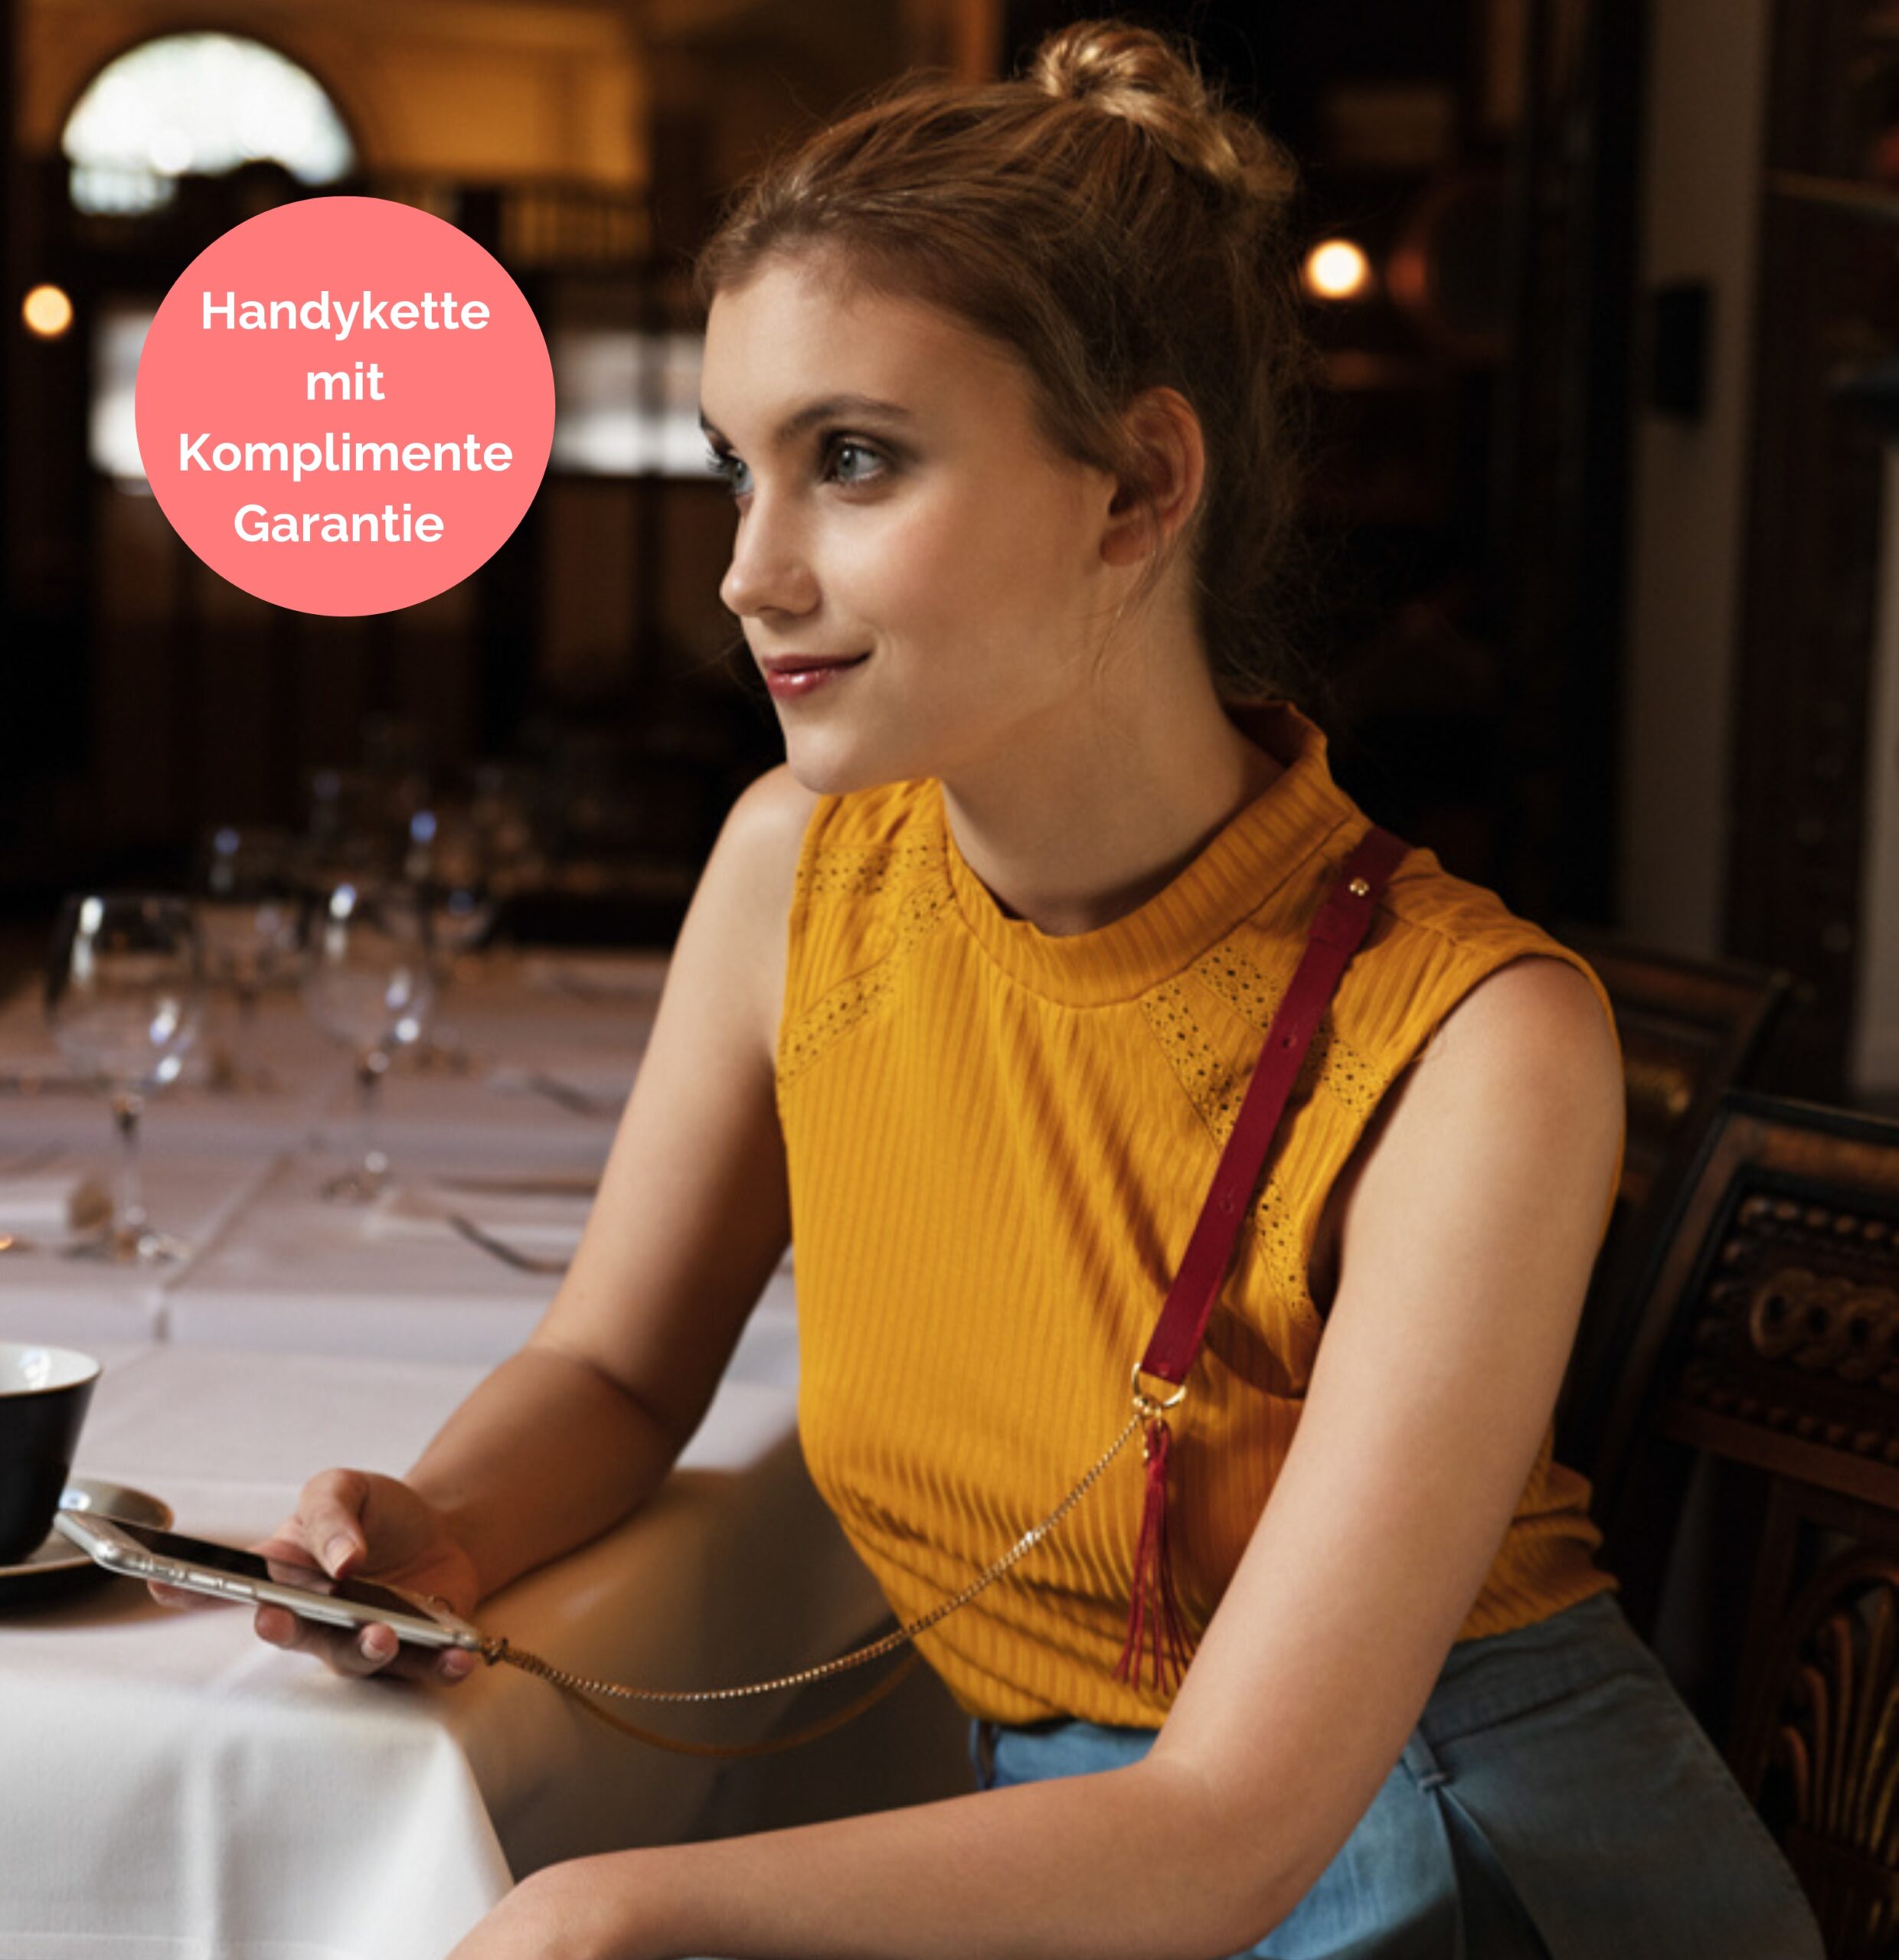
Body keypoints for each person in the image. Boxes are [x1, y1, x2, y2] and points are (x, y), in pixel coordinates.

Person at [157, 20, 1825, 1958]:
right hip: (1087, 1861)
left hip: (1444, 1874)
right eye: (737, 469)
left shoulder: (1472, 1041)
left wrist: (598, 1914)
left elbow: (1226, 1832)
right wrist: (445, 1524)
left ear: (1135, 486)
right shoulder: (800, 865)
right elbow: (616, 1370)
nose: (744, 572)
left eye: (849, 461)